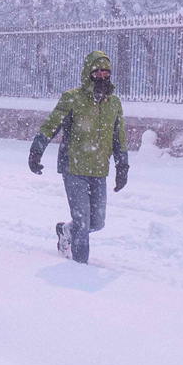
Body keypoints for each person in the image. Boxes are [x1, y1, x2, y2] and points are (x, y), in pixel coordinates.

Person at [28, 50, 128, 264]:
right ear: (87, 73)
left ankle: (65, 231)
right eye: (97, 72)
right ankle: (80, 270)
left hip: (99, 169)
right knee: (83, 223)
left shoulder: (114, 103)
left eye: (105, 72)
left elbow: (118, 138)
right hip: (73, 168)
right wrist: (37, 150)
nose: (101, 76)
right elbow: (51, 125)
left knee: (97, 222)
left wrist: (123, 167)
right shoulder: (72, 98)